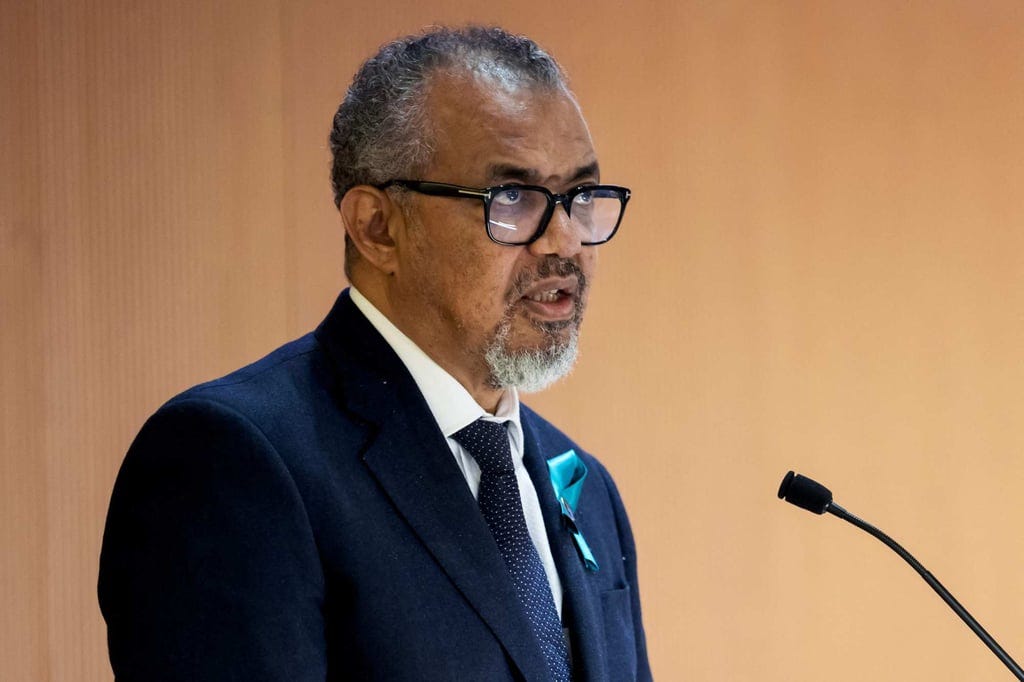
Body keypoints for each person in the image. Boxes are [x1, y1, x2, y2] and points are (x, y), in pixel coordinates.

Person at [99, 26, 651, 681]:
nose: (564, 242)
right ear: (377, 227)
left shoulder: (583, 486)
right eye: (512, 198)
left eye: (582, 197)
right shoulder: (233, 461)